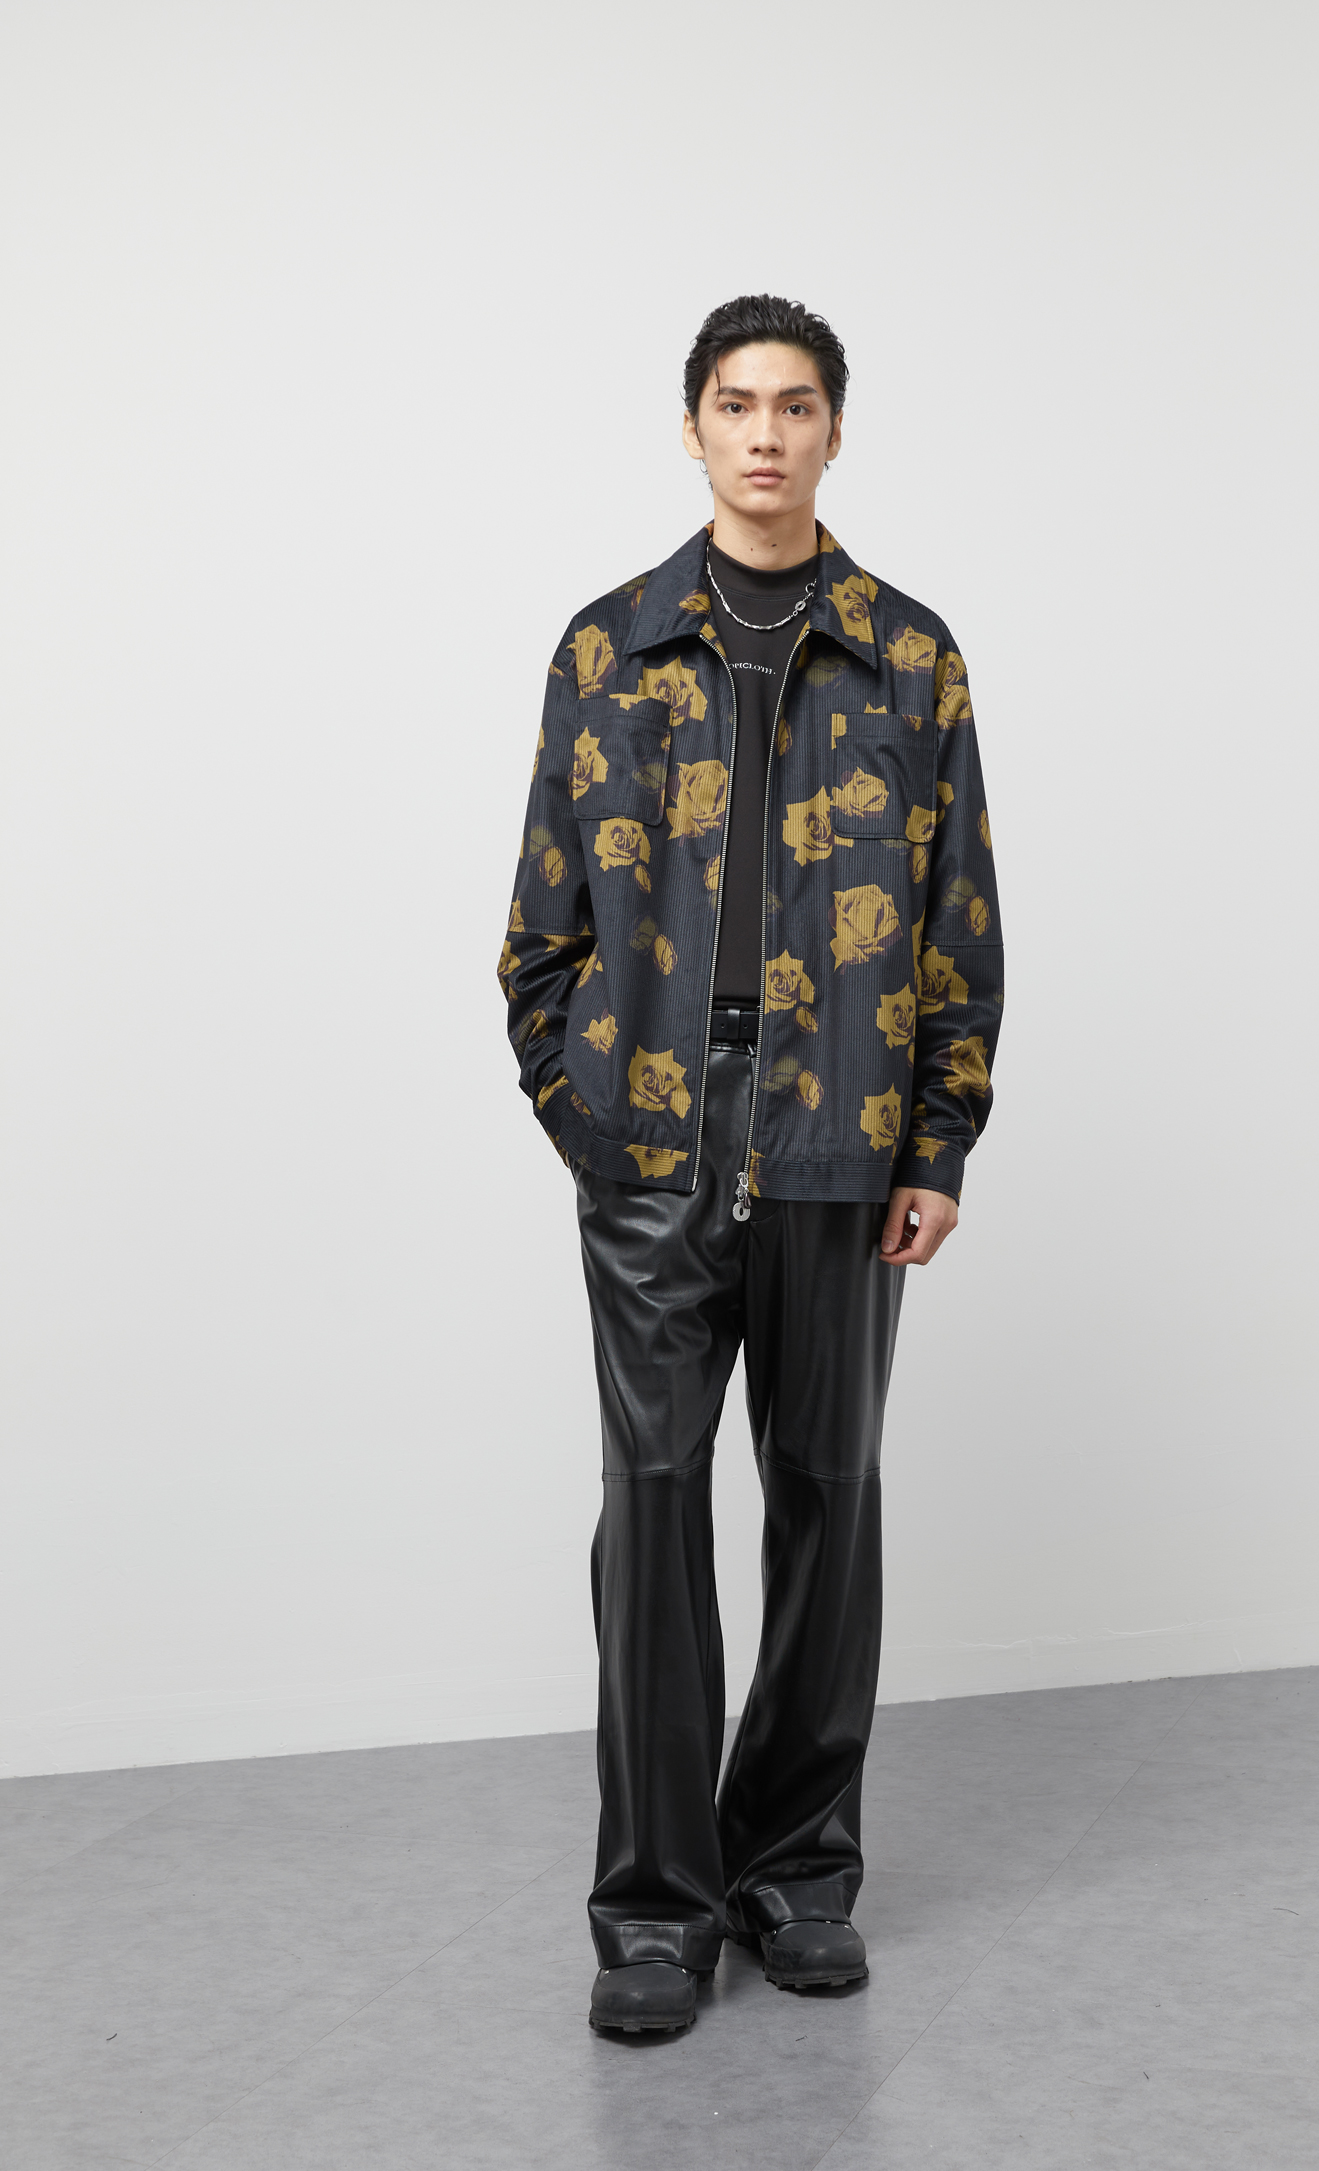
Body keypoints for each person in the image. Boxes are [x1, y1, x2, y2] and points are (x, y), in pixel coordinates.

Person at [499, 295, 1002, 2034]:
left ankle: (797, 1868)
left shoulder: (912, 656)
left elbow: (956, 921)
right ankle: (655, 1906)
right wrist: (589, 1114)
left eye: (796, 405)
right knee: (651, 1509)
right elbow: (538, 935)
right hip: (653, 1139)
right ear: (694, 428)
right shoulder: (607, 649)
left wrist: (937, 1138)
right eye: (736, 404)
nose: (766, 433)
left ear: (835, 432)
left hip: (841, 1138)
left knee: (826, 1500)